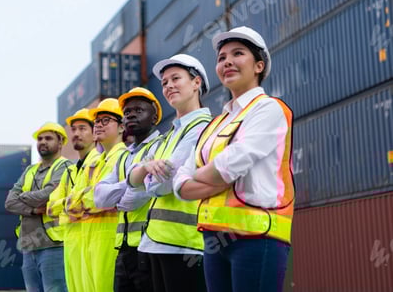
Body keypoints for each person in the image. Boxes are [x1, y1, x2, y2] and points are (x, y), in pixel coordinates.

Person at [174, 26, 295, 292]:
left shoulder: (270, 109)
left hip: (258, 238)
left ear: (259, 66)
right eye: (221, 58)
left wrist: (200, 174)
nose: (227, 61)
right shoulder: (216, 123)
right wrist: (208, 176)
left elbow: (232, 164)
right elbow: (180, 184)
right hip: (214, 241)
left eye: (237, 53)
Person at [128, 54, 212, 292]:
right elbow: (132, 182)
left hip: (184, 245)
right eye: (164, 82)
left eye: (176, 78)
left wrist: (146, 174)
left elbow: (161, 185)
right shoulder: (169, 135)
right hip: (155, 242)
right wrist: (145, 169)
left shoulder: (202, 129)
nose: (168, 86)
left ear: (196, 83)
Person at [94, 87, 163, 292]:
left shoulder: (159, 147)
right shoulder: (125, 156)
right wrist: (133, 180)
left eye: (139, 110)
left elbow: (134, 200)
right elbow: (99, 198)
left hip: (148, 247)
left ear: (155, 117)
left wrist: (118, 199)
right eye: (127, 112)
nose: (131, 114)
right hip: (123, 249)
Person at [65, 98, 127, 292]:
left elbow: (101, 199)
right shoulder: (95, 163)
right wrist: (89, 198)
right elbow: (70, 202)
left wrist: (88, 198)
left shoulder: (123, 157)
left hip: (109, 240)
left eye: (106, 120)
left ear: (121, 127)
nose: (99, 125)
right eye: (97, 121)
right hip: (87, 240)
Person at [5, 122, 73, 292]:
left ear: (60, 143)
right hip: (28, 247)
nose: (42, 142)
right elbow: (9, 202)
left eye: (48, 138)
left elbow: (48, 195)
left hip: (54, 246)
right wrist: (33, 210)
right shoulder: (30, 170)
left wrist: (23, 196)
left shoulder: (65, 167)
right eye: (40, 138)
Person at [46, 108, 99, 292]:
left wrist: (67, 205)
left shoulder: (99, 163)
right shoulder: (70, 171)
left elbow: (94, 200)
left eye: (82, 128)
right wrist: (74, 203)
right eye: (74, 129)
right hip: (71, 244)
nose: (76, 134)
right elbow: (51, 208)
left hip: (94, 242)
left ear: (95, 133)